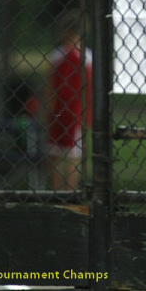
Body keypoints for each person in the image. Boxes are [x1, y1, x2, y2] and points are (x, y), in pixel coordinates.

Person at [44, 10, 92, 190]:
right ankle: (70, 194)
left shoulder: (57, 56)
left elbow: (50, 89)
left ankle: (57, 194)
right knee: (74, 156)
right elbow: (89, 90)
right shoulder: (87, 57)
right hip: (78, 111)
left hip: (58, 111)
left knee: (56, 156)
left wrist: (48, 112)